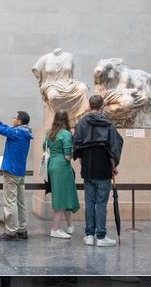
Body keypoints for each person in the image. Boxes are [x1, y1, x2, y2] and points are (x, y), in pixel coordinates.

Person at [72, 95, 123, 247]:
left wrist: (83, 164)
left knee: (89, 201)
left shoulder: (81, 124)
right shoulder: (108, 124)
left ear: (90, 105)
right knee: (101, 203)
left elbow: (77, 148)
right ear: (102, 107)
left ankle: (89, 235)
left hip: (87, 168)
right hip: (104, 168)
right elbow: (114, 147)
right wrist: (114, 166)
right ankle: (101, 236)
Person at [0, 109, 34, 241]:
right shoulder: (23, 131)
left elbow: (2, 130)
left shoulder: (16, 132)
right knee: (21, 202)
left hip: (11, 171)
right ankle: (22, 230)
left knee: (10, 202)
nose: (13, 119)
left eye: (14, 117)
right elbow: (6, 127)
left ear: (20, 121)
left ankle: (11, 231)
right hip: (20, 173)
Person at [46, 110, 80, 239]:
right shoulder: (66, 134)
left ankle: (70, 226)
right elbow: (67, 156)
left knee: (64, 196)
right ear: (66, 119)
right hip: (62, 167)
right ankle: (55, 229)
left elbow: (46, 147)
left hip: (52, 166)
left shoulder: (50, 134)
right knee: (61, 198)